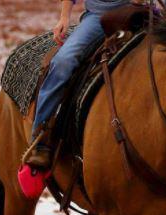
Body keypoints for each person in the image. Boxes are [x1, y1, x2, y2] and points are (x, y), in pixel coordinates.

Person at [27, 0, 131, 170]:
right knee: (63, 61)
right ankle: (41, 138)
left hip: (146, 12)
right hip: (100, 17)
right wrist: (64, 17)